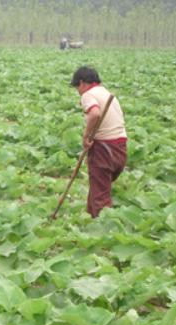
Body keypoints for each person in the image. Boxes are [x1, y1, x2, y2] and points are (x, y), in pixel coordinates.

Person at [70, 66, 127, 218]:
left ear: (82, 83)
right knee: (99, 188)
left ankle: (104, 229)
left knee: (100, 195)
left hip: (104, 148)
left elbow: (95, 113)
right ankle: (91, 219)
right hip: (120, 148)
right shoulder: (107, 93)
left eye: (77, 87)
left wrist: (86, 136)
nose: (78, 91)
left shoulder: (88, 94)